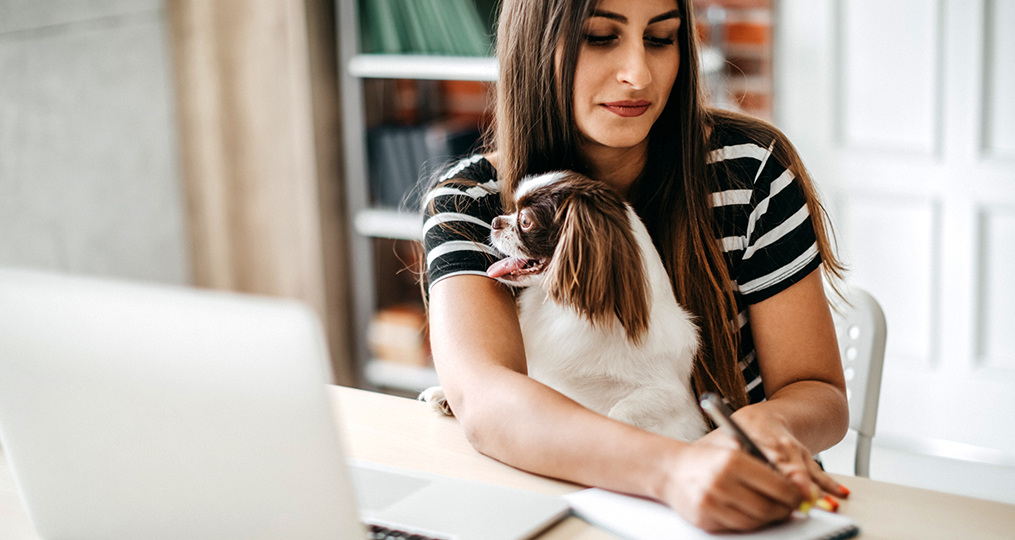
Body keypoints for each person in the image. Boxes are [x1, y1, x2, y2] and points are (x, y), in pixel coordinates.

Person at [420, 0, 850, 532]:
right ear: (534, 44)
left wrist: (746, 437)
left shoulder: (751, 170)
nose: (638, 74)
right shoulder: (470, 203)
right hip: (560, 500)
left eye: (662, 38)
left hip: (747, 509)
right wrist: (674, 471)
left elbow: (820, 393)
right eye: (600, 37)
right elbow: (485, 398)